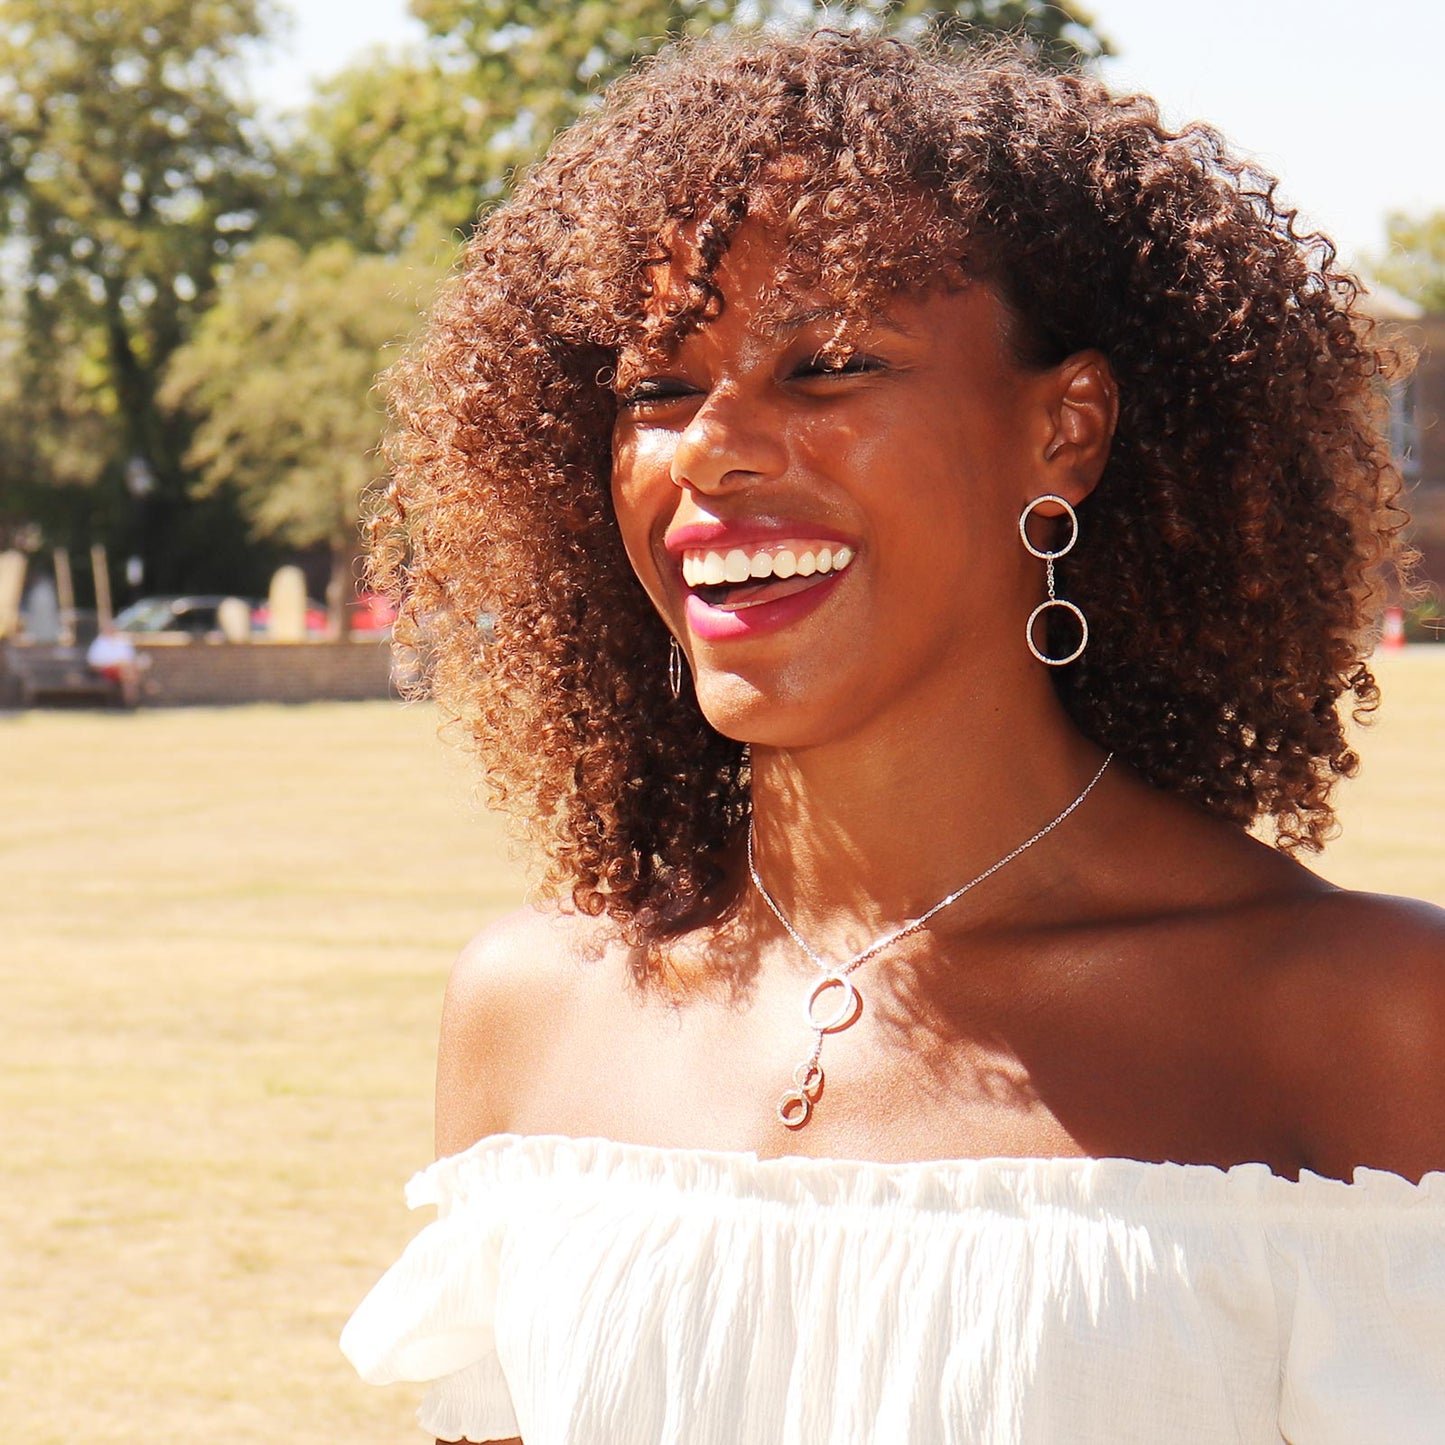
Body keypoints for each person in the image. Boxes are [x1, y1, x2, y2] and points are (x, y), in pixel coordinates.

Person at [341, 29, 1445, 1444]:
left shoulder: (1367, 1017)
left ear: (1067, 428)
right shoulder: (531, 1012)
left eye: (829, 364)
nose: (713, 447)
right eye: (657, 389)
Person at [85, 620, 142, 706]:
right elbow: (93, 663)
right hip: (105, 670)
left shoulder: (123, 642)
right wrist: (114, 664)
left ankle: (130, 700)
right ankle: (131, 701)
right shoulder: (99, 643)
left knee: (128, 671)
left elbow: (130, 658)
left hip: (124, 670)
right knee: (129, 673)